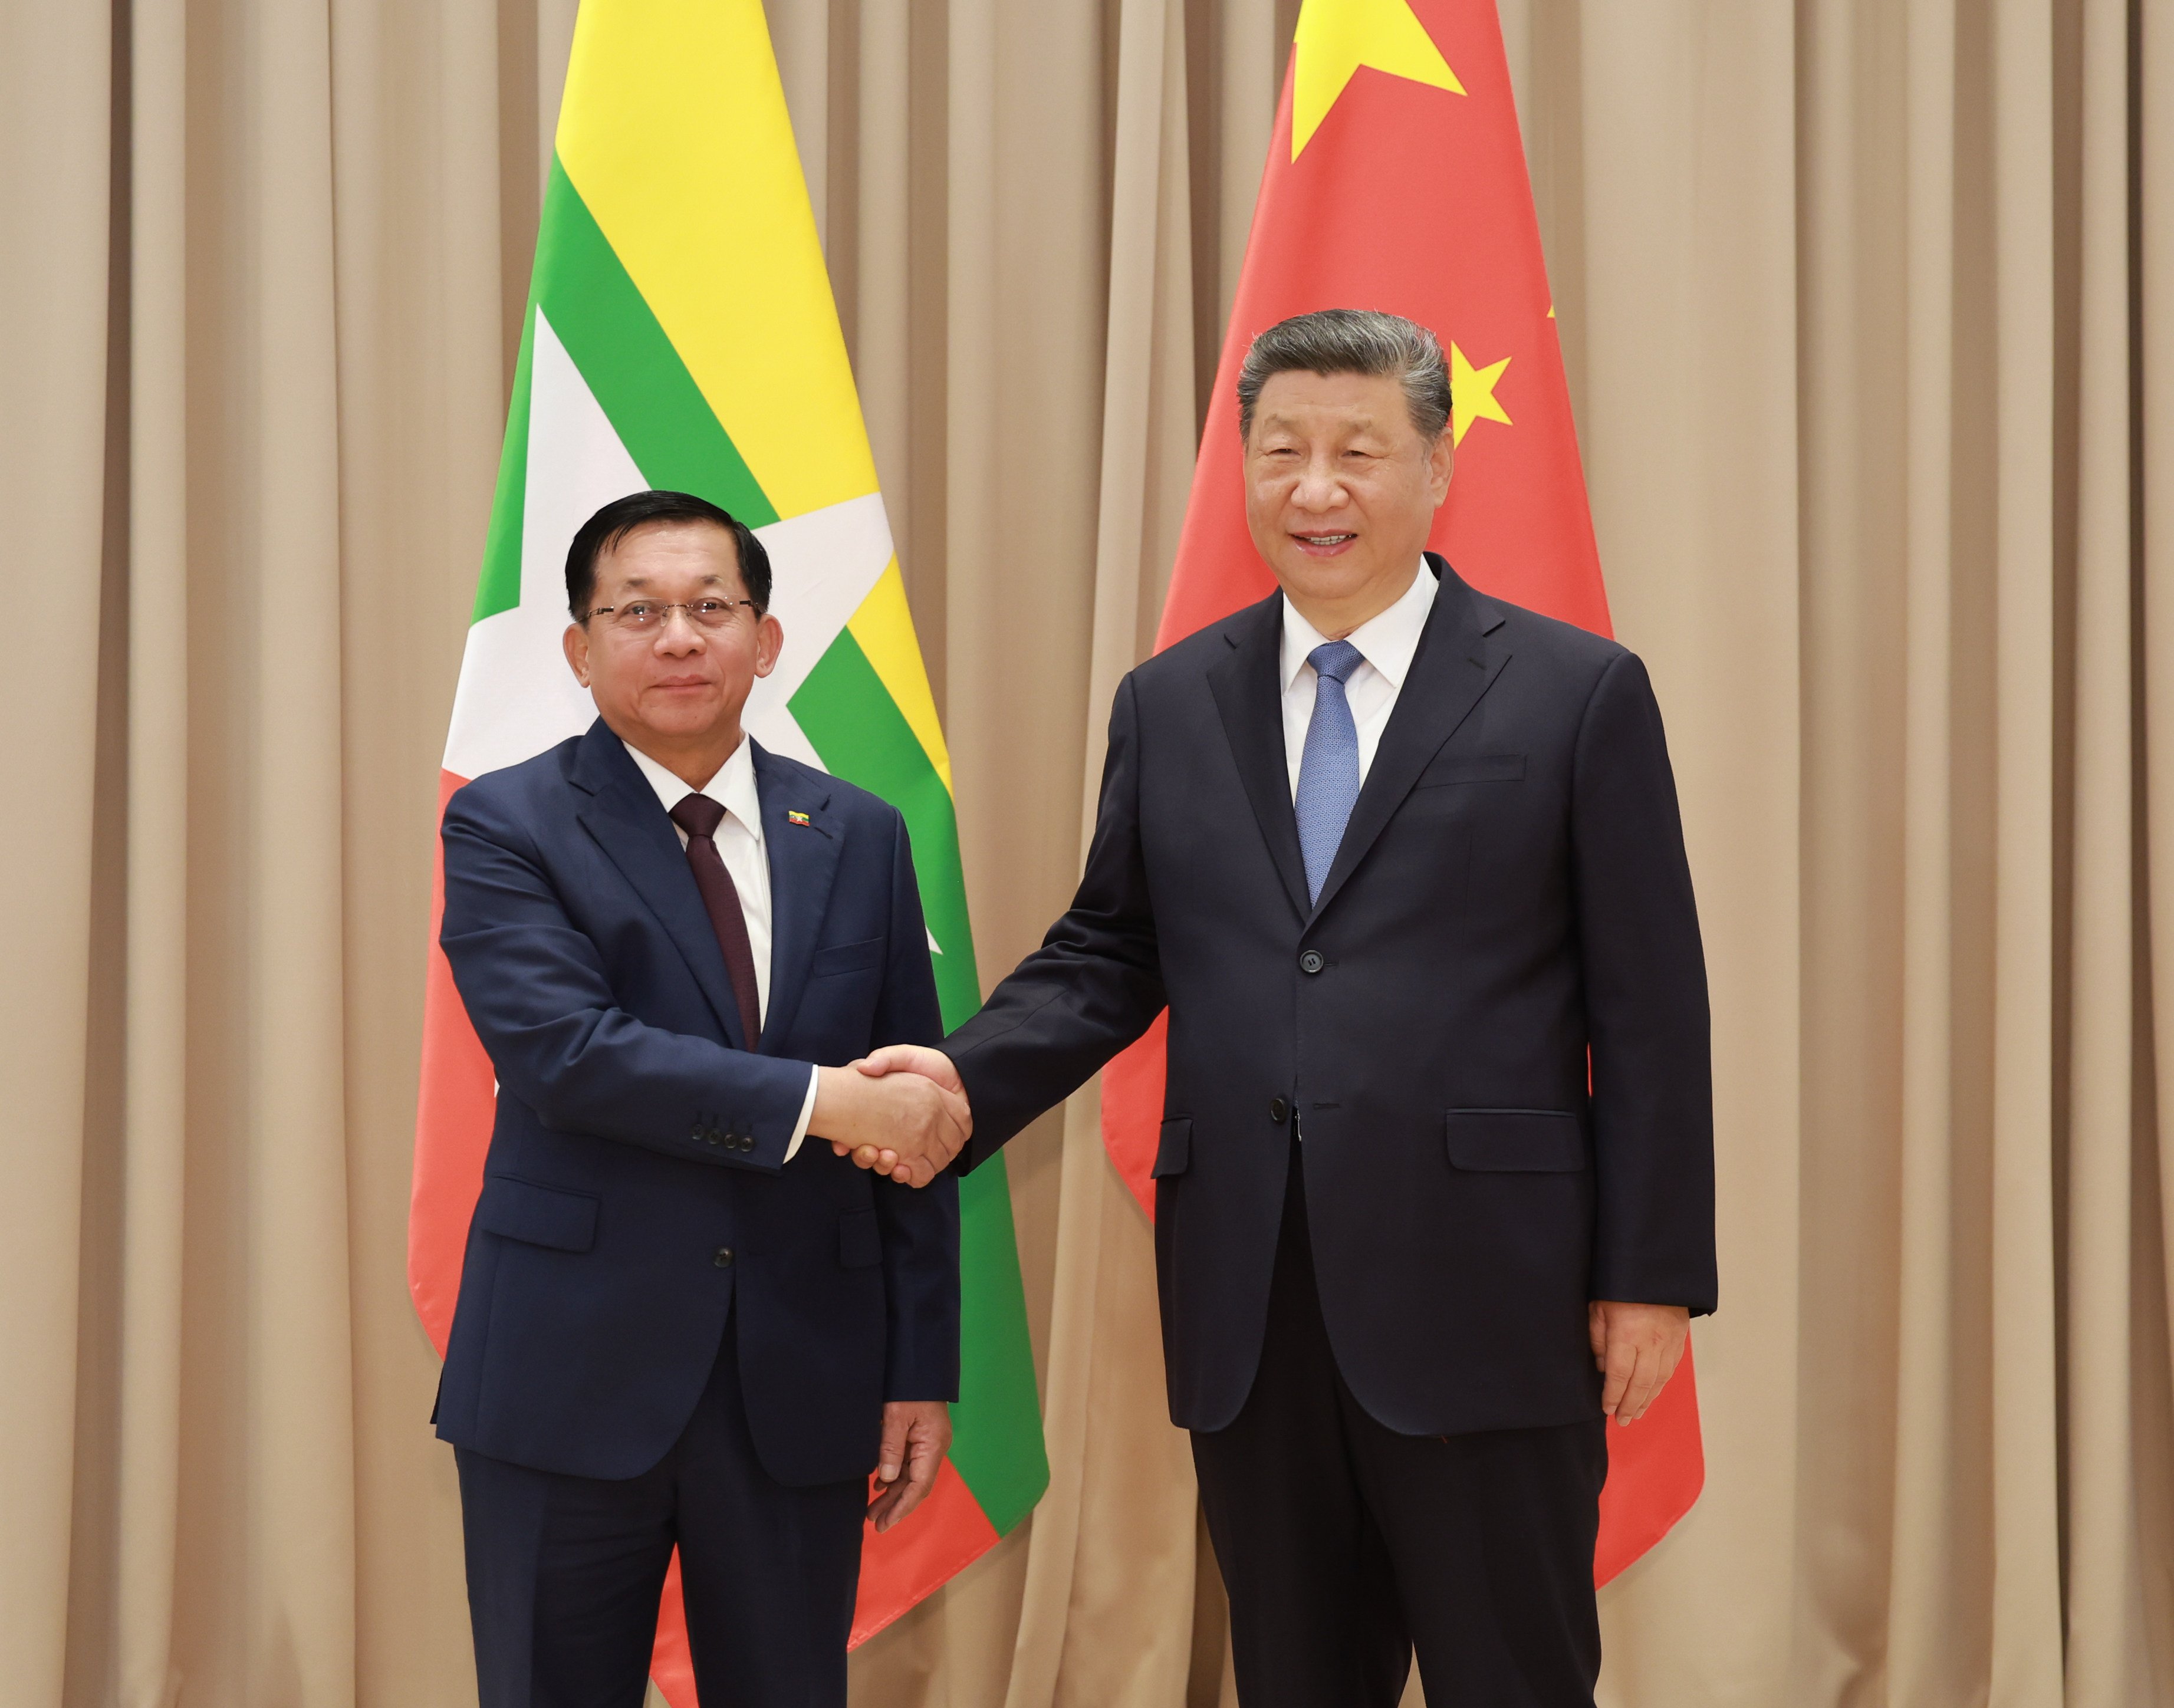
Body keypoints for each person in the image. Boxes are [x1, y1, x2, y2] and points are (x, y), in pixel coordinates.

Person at [846, 310, 1716, 1706]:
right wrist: (957, 1082)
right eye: (1281, 452)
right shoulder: (1172, 700)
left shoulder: (1572, 692)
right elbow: (1108, 952)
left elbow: (1654, 1006)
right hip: (1253, 1292)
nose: (1315, 489)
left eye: (1357, 452)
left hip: (1493, 1289)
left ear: (1435, 467)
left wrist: (1650, 1270)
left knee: (1515, 1674)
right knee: (1298, 1675)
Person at [433, 488, 968, 1708]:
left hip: (802, 1372)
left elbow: (910, 1106)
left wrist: (917, 1366)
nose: (678, 637)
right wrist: (823, 1103)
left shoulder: (862, 834)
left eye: (709, 607)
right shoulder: (507, 822)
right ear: (580, 648)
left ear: (765, 639)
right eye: (638, 610)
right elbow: (567, 1053)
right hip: (566, 1373)